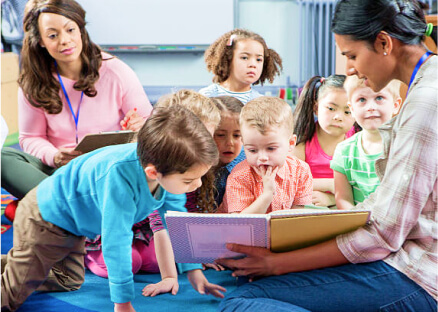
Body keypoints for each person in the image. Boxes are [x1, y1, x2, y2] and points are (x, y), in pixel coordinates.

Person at [215, 0, 437, 311]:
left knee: (242, 300)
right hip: (403, 258)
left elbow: (384, 235)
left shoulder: (426, 101)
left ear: (384, 43)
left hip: (418, 274)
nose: (349, 69)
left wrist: (279, 263)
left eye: (352, 56)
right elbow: (384, 207)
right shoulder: (423, 87)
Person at [1, 105, 223, 312]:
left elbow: (175, 221)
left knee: (67, 280)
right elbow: (116, 241)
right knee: (14, 291)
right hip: (45, 217)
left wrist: (193, 270)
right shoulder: (119, 178)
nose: (198, 185)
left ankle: (20, 262)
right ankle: (20, 267)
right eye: (189, 181)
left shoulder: (164, 167)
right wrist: (123, 302)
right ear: (153, 173)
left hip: (74, 225)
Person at [1, 0, 153, 212]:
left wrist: (139, 125)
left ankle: (56, 206)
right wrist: (54, 156)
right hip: (59, 172)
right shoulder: (32, 82)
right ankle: (75, 207)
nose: (64, 41)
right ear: (42, 41)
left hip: (108, 171)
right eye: (53, 35)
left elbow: (150, 126)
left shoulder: (116, 71)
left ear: (80, 30)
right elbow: (30, 138)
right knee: (4, 159)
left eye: (70, 30)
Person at [84, 90, 224, 286]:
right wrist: (169, 278)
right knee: (130, 262)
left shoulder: (191, 165)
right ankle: (87, 253)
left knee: (154, 260)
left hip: (144, 232)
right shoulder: (158, 168)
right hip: (113, 229)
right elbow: (161, 224)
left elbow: (179, 220)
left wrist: (195, 257)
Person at [219, 96, 313, 214]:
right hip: (235, 231)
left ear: (291, 143)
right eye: (253, 150)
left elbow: (297, 216)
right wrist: (267, 195)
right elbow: (241, 224)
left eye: (271, 148)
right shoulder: (239, 177)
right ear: (244, 143)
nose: (262, 157)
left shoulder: (300, 171)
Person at [331, 76, 402, 210]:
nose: (370, 107)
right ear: (351, 109)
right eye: (362, 100)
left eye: (379, 98)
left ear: (396, 105)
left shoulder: (406, 145)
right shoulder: (344, 151)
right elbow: (343, 198)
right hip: (359, 224)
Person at [292, 74, 356, 207]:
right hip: (310, 208)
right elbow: (290, 181)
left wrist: (332, 197)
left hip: (347, 208)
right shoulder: (302, 141)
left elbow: (363, 185)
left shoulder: (358, 141)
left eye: (347, 111)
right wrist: (330, 184)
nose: (338, 117)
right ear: (316, 108)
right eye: (331, 109)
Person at [199, 28, 283, 104]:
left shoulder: (261, 103)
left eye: (258, 60)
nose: (253, 65)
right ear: (228, 59)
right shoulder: (206, 96)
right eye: (245, 58)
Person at [210, 96, 245, 207]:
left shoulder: (248, 164)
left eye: (237, 135)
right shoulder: (195, 166)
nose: (230, 142)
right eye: (220, 135)